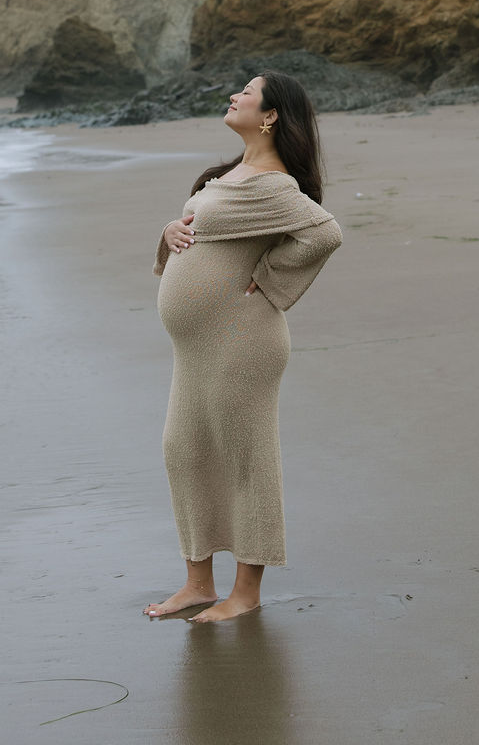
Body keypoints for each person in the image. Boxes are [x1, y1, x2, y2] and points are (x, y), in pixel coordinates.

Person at [144, 70, 343, 622]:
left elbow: (325, 232)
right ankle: (198, 583)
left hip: (243, 341)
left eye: (246, 92)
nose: (234, 96)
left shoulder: (276, 185)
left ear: (271, 114)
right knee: (183, 450)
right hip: (197, 347)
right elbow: (198, 228)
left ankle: (246, 593)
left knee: (245, 458)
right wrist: (169, 231)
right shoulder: (231, 174)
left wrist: (272, 278)